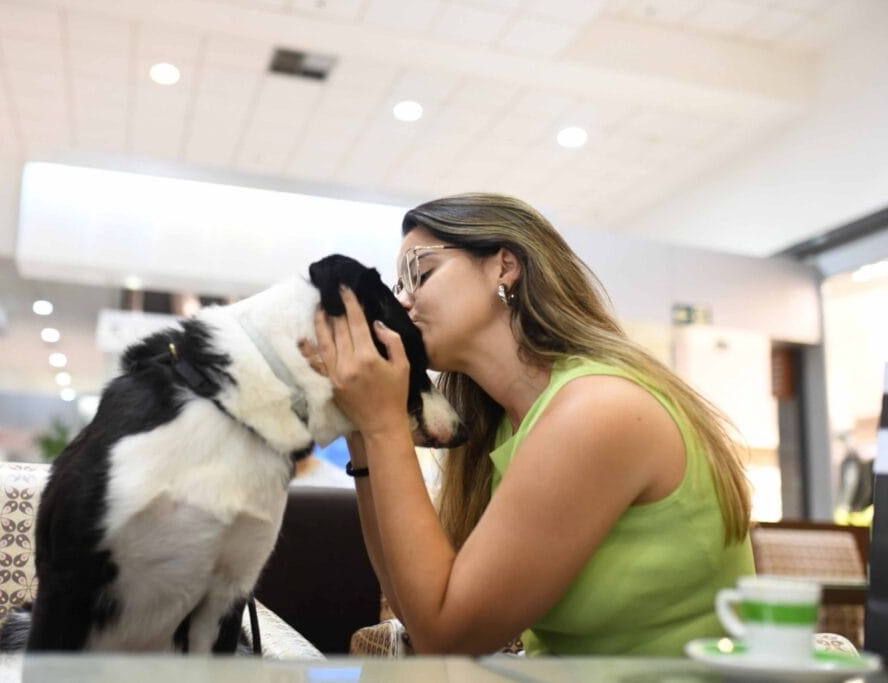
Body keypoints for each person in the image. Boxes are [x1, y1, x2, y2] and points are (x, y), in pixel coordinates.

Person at [299, 193, 754, 656]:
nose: (404, 300)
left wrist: (383, 424)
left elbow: (447, 637)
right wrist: (360, 430)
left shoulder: (597, 411)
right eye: (399, 284)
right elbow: (414, 608)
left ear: (505, 266)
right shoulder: (503, 430)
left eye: (421, 271)